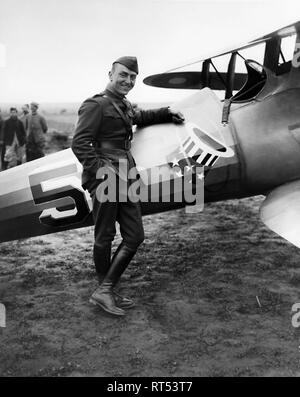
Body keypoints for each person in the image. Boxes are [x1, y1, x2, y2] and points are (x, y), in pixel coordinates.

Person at [71, 56, 184, 317]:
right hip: (107, 177)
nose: (128, 81)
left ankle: (105, 290)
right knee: (105, 236)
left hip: (127, 175)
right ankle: (105, 289)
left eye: (132, 77)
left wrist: (166, 111)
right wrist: (102, 172)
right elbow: (80, 143)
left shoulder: (123, 105)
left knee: (135, 236)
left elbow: (139, 115)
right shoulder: (95, 104)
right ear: (110, 74)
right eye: (123, 75)